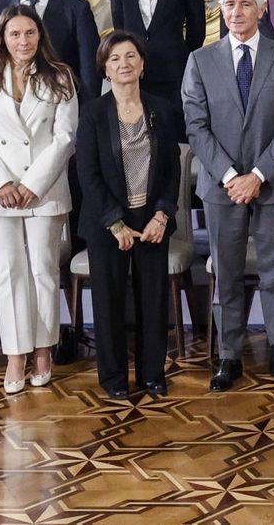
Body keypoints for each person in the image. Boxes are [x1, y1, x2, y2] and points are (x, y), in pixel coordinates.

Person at [183, 0, 274, 392]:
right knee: (228, 273)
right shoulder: (200, 61)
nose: (236, 13)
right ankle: (230, 357)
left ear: (262, 8)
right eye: (229, 5)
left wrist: (256, 176)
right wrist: (232, 176)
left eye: (245, 4)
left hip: (272, 184)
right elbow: (197, 129)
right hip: (221, 186)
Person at [0, 5, 80, 393]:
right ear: (3, 38)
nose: (23, 41)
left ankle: (44, 350)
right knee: (9, 273)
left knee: (43, 271)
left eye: (29, 33)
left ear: (39, 36)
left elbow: (65, 138)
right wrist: (2, 183)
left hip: (43, 191)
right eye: (15, 34)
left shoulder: (60, 76)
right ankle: (16, 355)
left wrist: (32, 183)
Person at [77, 32, 184, 399]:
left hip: (152, 220)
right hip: (107, 223)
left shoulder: (162, 108)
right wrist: (114, 222)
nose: (124, 64)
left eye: (130, 56)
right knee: (108, 302)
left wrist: (162, 215)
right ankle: (114, 378)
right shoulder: (93, 112)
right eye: (114, 59)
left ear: (142, 63)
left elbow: (173, 168)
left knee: (152, 300)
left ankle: (153, 374)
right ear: (104, 69)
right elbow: (87, 173)